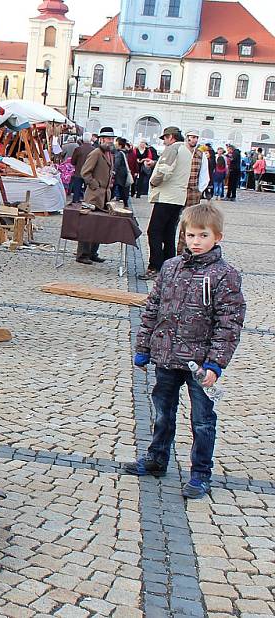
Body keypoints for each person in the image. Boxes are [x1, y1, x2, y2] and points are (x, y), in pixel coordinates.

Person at [125, 202, 246, 499]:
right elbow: (153, 309)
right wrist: (143, 347)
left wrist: (215, 365)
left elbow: (229, 324)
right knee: (163, 413)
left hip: (200, 363)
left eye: (203, 236)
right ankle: (156, 458)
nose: (196, 242)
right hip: (166, 356)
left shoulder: (224, 275)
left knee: (202, 420)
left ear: (217, 237)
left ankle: (200, 473)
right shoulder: (170, 267)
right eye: (191, 235)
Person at [139, 126, 192, 280]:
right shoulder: (186, 150)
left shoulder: (172, 149)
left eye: (165, 139)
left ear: (170, 137)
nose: (164, 142)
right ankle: (170, 266)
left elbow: (165, 170)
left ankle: (155, 266)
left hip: (166, 196)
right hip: (178, 197)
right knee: (169, 233)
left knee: (154, 231)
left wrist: (154, 182)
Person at [76, 127, 115, 265]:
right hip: (94, 195)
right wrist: (95, 185)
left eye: (112, 139)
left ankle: (93, 252)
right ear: (102, 139)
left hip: (104, 195)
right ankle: (83, 254)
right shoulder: (96, 153)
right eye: (108, 139)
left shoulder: (109, 154)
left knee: (99, 225)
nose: (111, 141)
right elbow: (85, 172)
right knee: (88, 225)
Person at [70, 137, 94, 204]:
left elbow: (73, 161)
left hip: (78, 172)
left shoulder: (78, 149)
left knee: (77, 189)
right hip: (89, 173)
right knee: (88, 190)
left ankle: (75, 202)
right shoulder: (94, 150)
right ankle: (87, 202)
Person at [112, 137, 133, 207]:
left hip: (119, 174)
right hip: (124, 174)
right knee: (123, 189)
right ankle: (126, 203)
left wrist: (113, 171)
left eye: (116, 142)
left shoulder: (119, 153)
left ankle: (108, 201)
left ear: (120, 145)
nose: (115, 144)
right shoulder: (126, 152)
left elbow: (117, 164)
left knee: (113, 188)